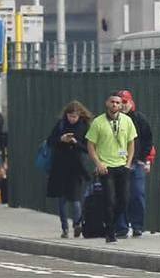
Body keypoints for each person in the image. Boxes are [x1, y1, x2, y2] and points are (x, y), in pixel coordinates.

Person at [85, 92, 137, 243]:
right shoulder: (98, 122)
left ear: (121, 105)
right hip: (106, 167)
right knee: (110, 199)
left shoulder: (127, 121)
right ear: (107, 104)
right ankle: (110, 232)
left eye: (117, 102)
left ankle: (110, 224)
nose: (115, 105)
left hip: (122, 165)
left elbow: (131, 143)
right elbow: (91, 144)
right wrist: (98, 163)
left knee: (124, 199)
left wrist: (128, 163)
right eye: (112, 102)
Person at [46, 101, 92, 238]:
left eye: (74, 116)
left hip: (76, 166)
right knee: (62, 199)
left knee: (75, 198)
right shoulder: (60, 125)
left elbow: (87, 148)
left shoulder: (84, 127)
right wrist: (61, 139)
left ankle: (77, 224)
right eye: (70, 116)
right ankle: (64, 228)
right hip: (60, 165)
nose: (72, 119)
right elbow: (50, 141)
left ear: (80, 116)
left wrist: (75, 142)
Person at [115, 89, 154, 238]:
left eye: (125, 102)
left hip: (136, 163)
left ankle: (137, 226)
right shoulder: (111, 120)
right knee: (119, 195)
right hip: (117, 163)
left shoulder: (139, 119)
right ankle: (121, 227)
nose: (123, 106)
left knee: (137, 194)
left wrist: (142, 158)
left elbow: (148, 139)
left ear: (131, 103)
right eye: (120, 103)